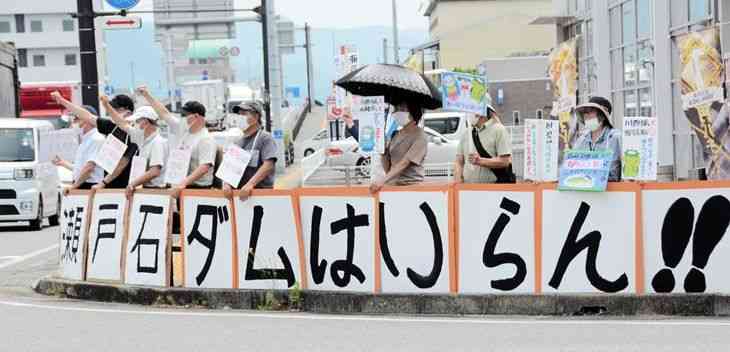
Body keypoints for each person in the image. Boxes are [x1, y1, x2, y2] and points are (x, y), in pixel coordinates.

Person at [137, 86, 216, 198]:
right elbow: (164, 113)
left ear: (196, 116)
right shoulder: (184, 131)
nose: (182, 118)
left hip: (199, 189)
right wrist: (147, 95)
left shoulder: (206, 139)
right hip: (183, 187)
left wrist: (183, 183)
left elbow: (204, 167)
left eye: (185, 115)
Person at [51, 92, 140, 189]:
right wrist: (62, 101)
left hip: (125, 187)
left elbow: (122, 163)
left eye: (113, 110)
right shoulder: (112, 127)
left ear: (127, 112)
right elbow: (87, 116)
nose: (111, 114)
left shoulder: (134, 133)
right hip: (107, 187)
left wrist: (103, 183)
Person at [100, 96, 168, 199]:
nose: (134, 124)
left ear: (145, 122)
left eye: (137, 121)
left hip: (157, 191)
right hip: (145, 189)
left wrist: (132, 184)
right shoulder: (141, 137)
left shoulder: (157, 142)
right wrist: (106, 105)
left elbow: (155, 171)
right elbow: (122, 123)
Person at [369, 97, 428, 193]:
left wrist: (382, 181)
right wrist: (383, 151)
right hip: (393, 185)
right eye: (395, 109)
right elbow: (388, 168)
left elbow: (404, 162)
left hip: (411, 186)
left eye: (401, 109)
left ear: (412, 111)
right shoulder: (395, 134)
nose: (396, 112)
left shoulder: (420, 136)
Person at [222, 102, 278, 201]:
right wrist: (226, 184)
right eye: (239, 114)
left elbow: (268, 165)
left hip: (260, 195)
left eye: (244, 114)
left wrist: (250, 184)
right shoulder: (237, 141)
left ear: (256, 117)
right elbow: (229, 168)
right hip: (239, 196)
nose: (240, 117)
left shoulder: (265, 138)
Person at [454, 103, 513, 184]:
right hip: (468, 189)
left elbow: (505, 161)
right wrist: (458, 180)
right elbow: (459, 161)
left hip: (493, 189)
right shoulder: (466, 133)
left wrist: (480, 161)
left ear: (479, 113)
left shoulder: (499, 130)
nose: (468, 115)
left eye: (470, 111)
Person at [51, 103, 104, 192]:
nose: (73, 122)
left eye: (76, 119)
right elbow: (81, 168)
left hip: (89, 186)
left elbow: (89, 168)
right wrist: (63, 163)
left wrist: (74, 186)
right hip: (82, 184)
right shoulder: (86, 139)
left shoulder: (96, 139)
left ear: (87, 119)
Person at [573, 96, 622, 181]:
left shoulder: (615, 138)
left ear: (602, 116)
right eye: (585, 112)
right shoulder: (581, 139)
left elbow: (614, 173)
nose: (587, 115)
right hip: (582, 188)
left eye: (591, 112)